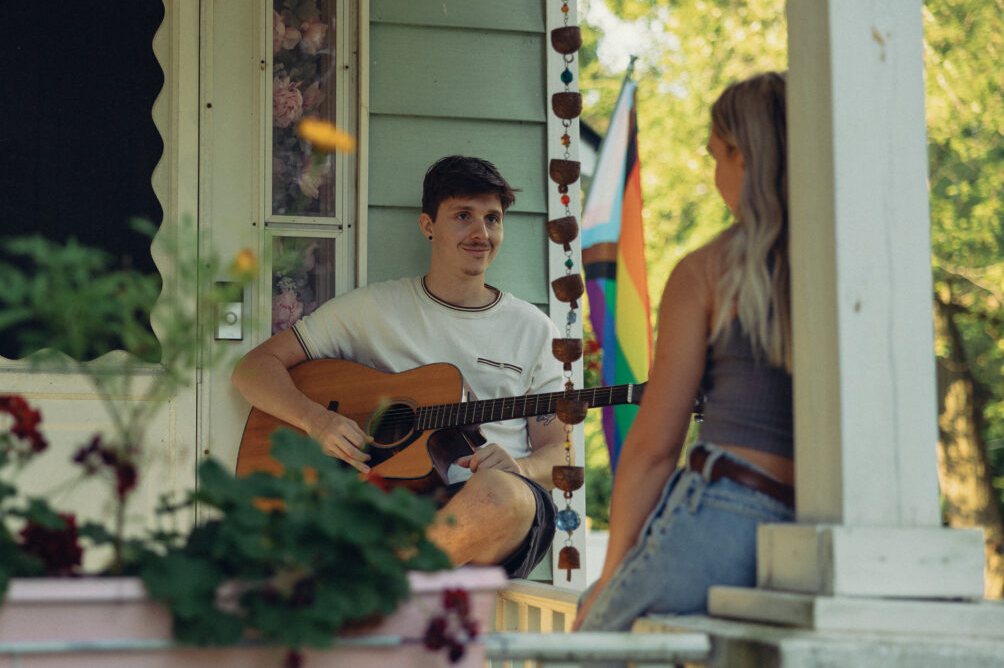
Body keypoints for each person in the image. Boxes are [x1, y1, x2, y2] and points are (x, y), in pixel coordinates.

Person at [232, 155, 565, 579]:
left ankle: (374, 584)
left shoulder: (534, 330)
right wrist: (317, 420)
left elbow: (561, 452)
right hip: (391, 505)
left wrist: (522, 468)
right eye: (463, 216)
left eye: (493, 219)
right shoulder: (373, 308)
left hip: (489, 517)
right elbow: (254, 369)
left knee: (501, 494)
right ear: (428, 225)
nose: (481, 233)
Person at [573, 71, 795, 632]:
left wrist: (612, 574)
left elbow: (654, 443)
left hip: (723, 516)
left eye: (716, 155)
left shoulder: (707, 272)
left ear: (742, 156)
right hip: (817, 525)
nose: (715, 173)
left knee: (586, 639)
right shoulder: (842, 262)